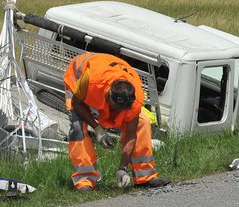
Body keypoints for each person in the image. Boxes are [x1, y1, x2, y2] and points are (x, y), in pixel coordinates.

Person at [63, 52, 170, 192]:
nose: (117, 114)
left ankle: (145, 177)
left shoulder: (135, 94)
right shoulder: (91, 80)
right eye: (116, 109)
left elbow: (131, 135)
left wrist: (122, 168)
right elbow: (77, 103)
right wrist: (97, 129)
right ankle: (85, 181)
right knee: (78, 128)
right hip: (77, 79)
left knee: (142, 121)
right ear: (109, 97)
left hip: (107, 74)